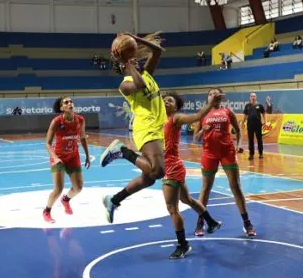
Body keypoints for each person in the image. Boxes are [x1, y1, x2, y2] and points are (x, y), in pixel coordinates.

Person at [100, 32, 167, 224]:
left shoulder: (146, 74)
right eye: (132, 61)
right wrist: (127, 62)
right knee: (158, 171)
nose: (136, 61)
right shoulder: (125, 85)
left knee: (148, 179)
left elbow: (158, 51)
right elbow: (139, 83)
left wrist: (136, 40)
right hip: (145, 127)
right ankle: (121, 151)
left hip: (158, 127)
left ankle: (114, 200)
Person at [158, 92, 224, 258]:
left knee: (172, 208)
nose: (166, 101)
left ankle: (183, 245)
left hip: (172, 167)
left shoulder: (176, 118)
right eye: (164, 99)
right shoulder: (159, 120)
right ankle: (211, 221)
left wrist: (210, 103)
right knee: (186, 199)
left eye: (170, 100)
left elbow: (197, 116)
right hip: (171, 165)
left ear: (176, 107)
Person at [193, 88, 256, 237]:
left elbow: (238, 130)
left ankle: (247, 223)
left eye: (216, 93)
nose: (213, 95)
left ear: (221, 97)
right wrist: (203, 131)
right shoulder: (202, 113)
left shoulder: (228, 111)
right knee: (206, 188)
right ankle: (200, 222)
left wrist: (238, 145)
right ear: (207, 98)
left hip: (227, 152)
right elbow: (195, 138)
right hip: (209, 154)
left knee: (235, 186)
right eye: (210, 93)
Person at [43, 97, 90, 223]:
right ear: (61, 107)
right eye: (66, 102)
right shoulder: (57, 121)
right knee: (58, 189)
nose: (70, 104)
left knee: (78, 188)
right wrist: (55, 158)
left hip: (73, 156)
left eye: (71, 102)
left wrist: (87, 155)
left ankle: (66, 200)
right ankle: (47, 211)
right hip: (58, 157)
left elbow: (83, 138)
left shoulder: (80, 120)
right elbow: (47, 144)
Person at [242, 92, 266, 160]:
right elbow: (245, 115)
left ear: (256, 97)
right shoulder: (247, 106)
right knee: (250, 139)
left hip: (258, 124)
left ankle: (261, 153)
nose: (253, 97)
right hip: (250, 124)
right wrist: (243, 122)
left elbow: (264, 113)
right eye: (252, 96)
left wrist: (265, 121)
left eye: (254, 96)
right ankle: (251, 154)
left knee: (259, 139)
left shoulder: (260, 105)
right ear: (250, 97)